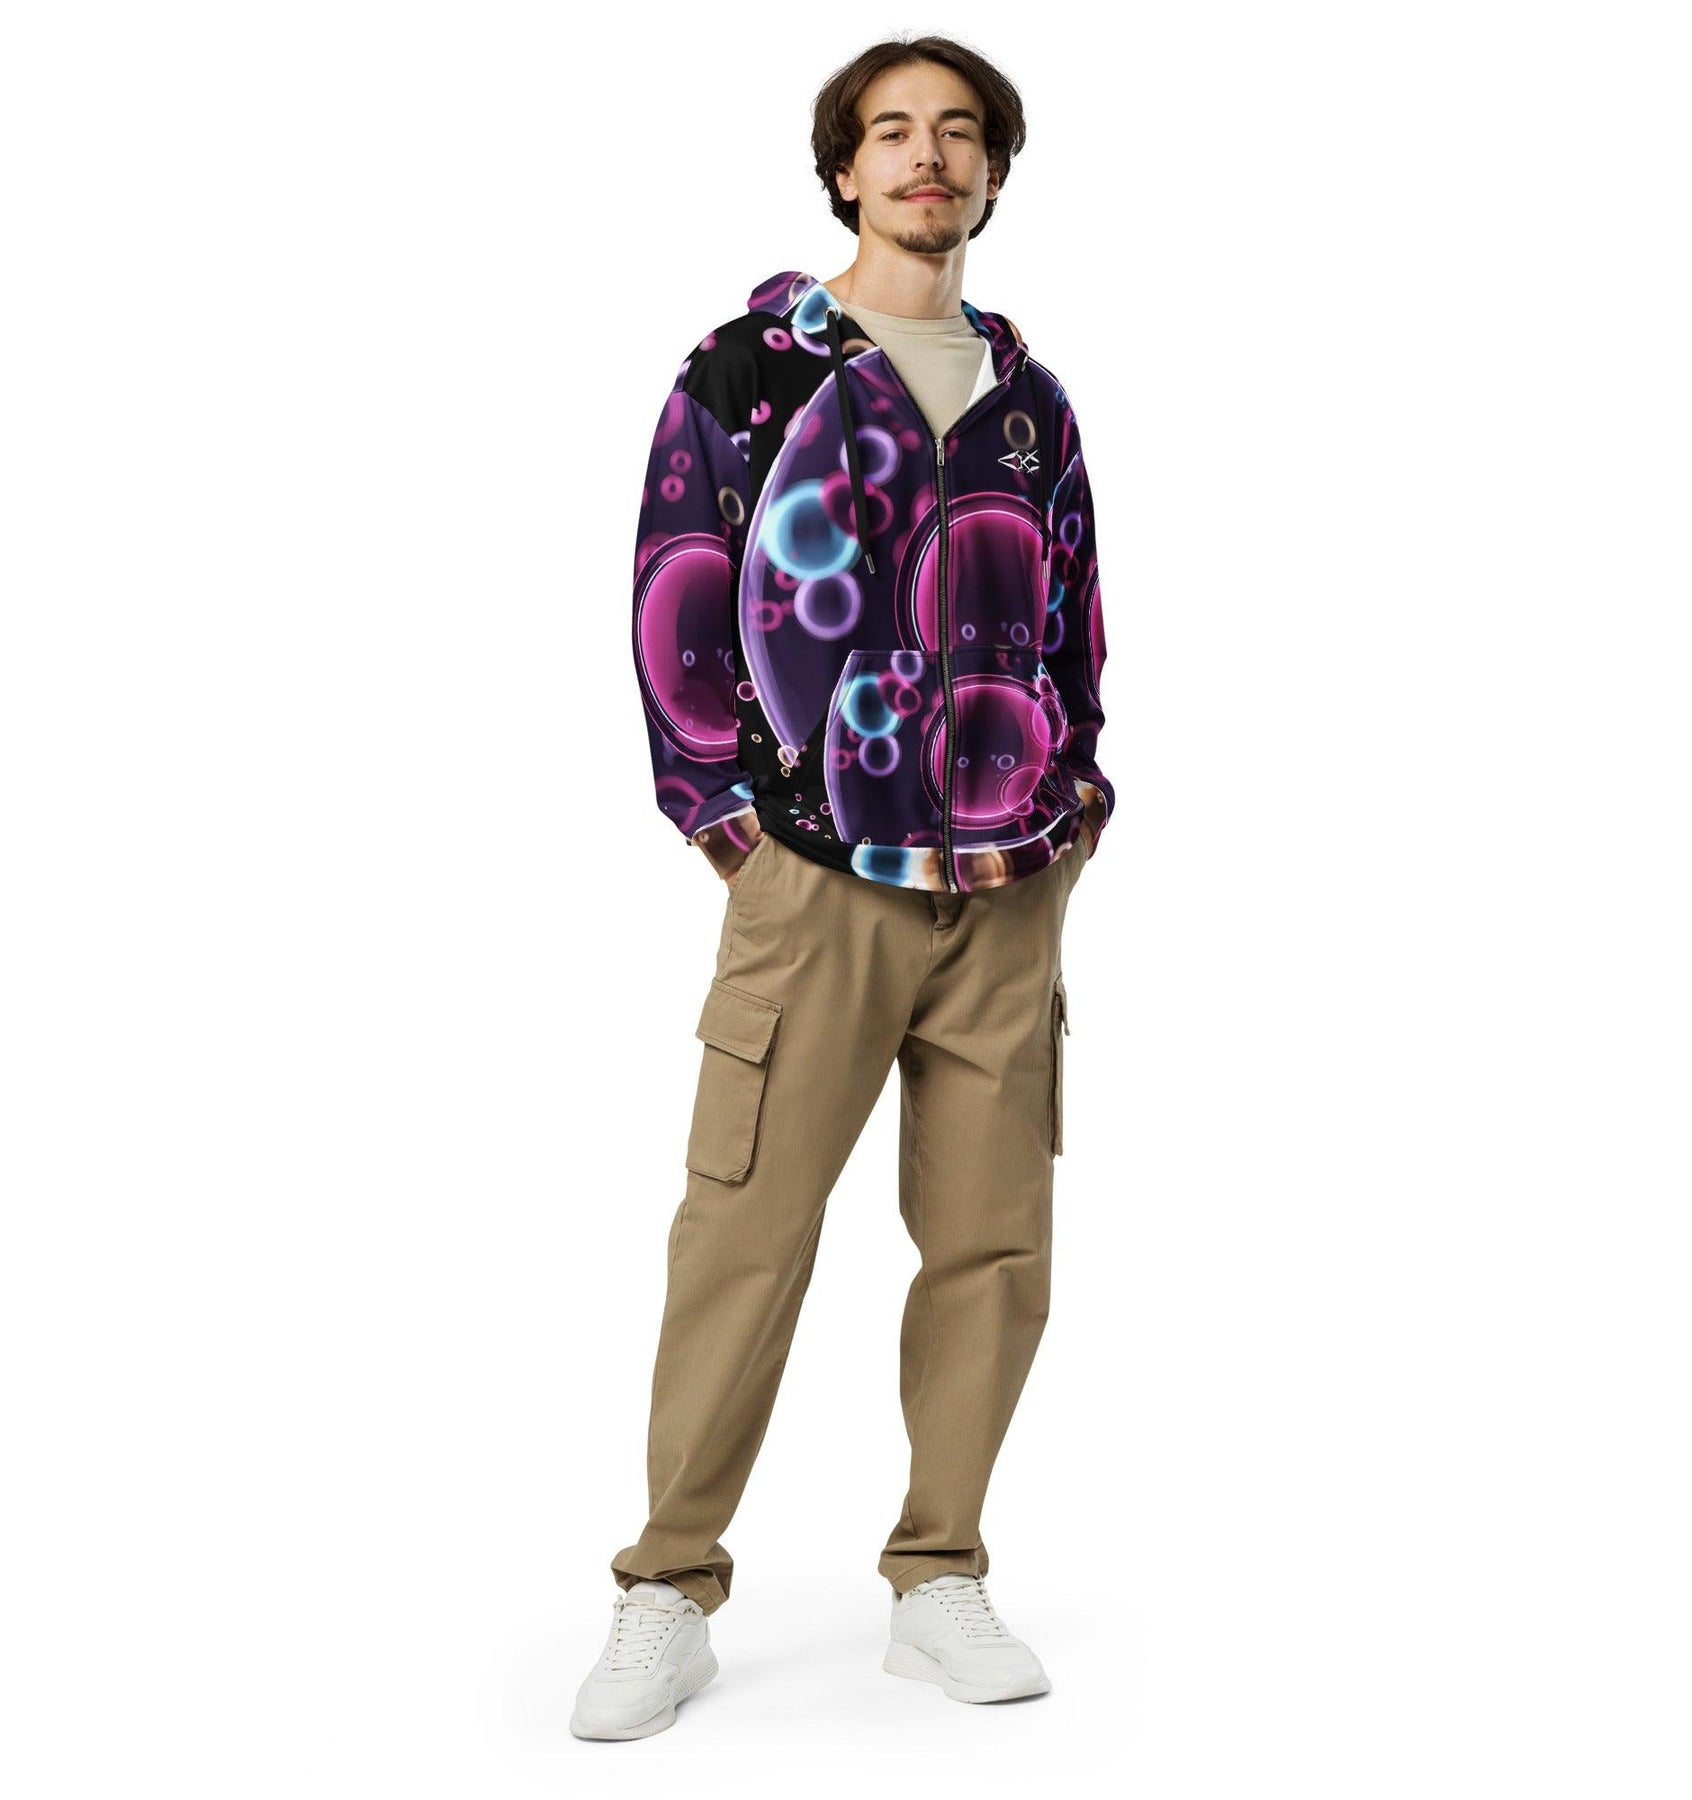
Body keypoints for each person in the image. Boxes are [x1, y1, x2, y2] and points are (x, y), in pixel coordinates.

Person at [572, 33, 1116, 1740]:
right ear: (843, 172)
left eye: (958, 134)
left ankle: (938, 1571)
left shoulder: (1030, 399)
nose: (925, 158)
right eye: (892, 133)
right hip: (814, 884)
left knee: (993, 1241)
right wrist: (734, 830)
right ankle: (667, 1589)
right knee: (745, 1233)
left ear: (993, 175)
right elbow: (678, 595)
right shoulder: (749, 371)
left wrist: (1075, 800)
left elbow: (1075, 620)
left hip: (1008, 885)